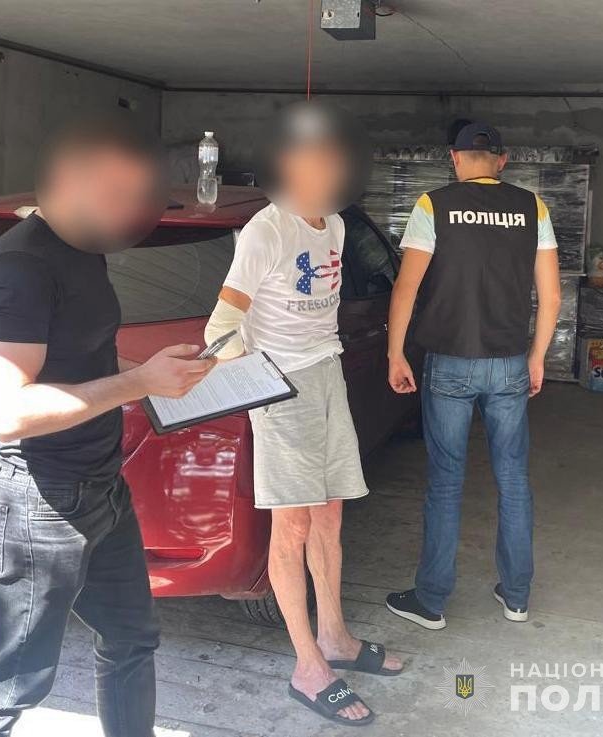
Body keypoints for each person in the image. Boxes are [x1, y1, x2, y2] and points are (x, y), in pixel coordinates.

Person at [0, 116, 216, 737]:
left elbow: (87, 356)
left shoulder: (83, 250)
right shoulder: (18, 269)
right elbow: (10, 412)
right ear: (67, 182)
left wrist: (159, 373)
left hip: (102, 487)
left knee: (132, 639)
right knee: (8, 685)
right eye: (118, 195)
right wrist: (141, 383)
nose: (134, 212)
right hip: (40, 501)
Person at [203, 102, 401, 727]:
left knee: (331, 513)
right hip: (279, 384)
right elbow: (221, 326)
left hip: (326, 373)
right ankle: (308, 666)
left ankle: (335, 636)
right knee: (290, 527)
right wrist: (259, 387)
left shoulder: (334, 225)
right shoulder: (267, 229)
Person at [385, 123, 562, 630]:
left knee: (445, 481)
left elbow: (405, 288)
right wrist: (537, 356)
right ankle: (517, 596)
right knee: (513, 478)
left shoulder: (433, 205)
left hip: (450, 362)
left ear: (455, 158)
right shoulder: (533, 207)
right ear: (502, 160)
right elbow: (551, 296)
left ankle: (432, 601)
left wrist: (395, 353)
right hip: (508, 362)